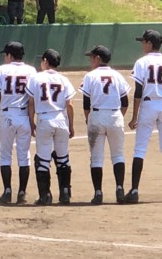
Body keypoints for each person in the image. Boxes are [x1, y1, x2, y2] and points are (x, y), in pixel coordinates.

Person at [80, 45, 130, 204]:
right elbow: (125, 102)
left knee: (96, 158)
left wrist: (89, 119)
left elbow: (86, 104)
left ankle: (98, 193)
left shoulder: (90, 76)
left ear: (98, 58)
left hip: (97, 116)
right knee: (118, 155)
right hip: (115, 116)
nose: (90, 60)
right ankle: (120, 189)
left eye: (91, 57)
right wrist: (117, 117)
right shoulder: (118, 75)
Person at [28, 49, 75, 205]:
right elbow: (69, 105)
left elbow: (31, 103)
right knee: (63, 158)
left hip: (44, 119)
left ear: (46, 61)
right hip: (61, 119)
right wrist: (71, 125)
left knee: (42, 159)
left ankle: (45, 196)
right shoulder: (63, 79)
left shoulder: (36, 78)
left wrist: (31, 122)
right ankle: (65, 193)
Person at [0, 41, 37, 204]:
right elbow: (32, 99)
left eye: (5, 55)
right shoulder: (31, 71)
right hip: (24, 115)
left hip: (7, 115)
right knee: (24, 156)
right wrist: (32, 120)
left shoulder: (1, 70)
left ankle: (7, 191)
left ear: (10, 55)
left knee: (5, 155)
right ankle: (22, 192)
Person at [126, 29, 162, 204]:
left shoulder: (141, 62)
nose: (142, 44)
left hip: (148, 105)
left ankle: (134, 190)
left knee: (140, 149)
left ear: (149, 43)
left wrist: (134, 117)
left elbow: (138, 92)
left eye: (143, 41)